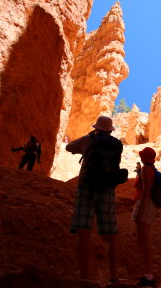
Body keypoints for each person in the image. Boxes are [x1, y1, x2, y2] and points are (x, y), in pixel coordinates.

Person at [66, 116, 123, 282]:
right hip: (107, 188)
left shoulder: (88, 139)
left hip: (86, 186)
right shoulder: (117, 144)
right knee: (111, 234)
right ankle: (114, 276)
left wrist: (88, 140)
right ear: (110, 130)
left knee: (84, 232)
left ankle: (84, 277)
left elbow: (69, 147)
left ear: (97, 127)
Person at [132, 147, 158, 287]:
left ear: (144, 157)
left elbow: (146, 190)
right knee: (143, 240)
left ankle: (149, 276)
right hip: (148, 205)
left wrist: (140, 209)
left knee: (143, 241)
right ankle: (147, 273)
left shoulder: (145, 169)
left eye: (142, 155)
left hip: (144, 205)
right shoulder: (151, 168)